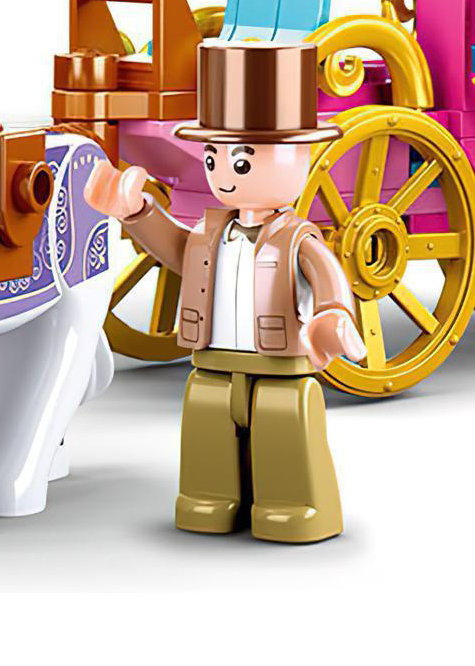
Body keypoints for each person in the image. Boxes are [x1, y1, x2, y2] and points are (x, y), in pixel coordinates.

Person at [86, 39, 365, 543]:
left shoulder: (298, 239)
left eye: (240, 162)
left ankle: (295, 506)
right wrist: (138, 212)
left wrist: (331, 316)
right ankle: (209, 499)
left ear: (298, 156)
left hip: (278, 367)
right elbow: (177, 251)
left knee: (285, 426)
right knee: (206, 424)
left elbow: (329, 282)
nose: (222, 176)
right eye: (212, 159)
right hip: (213, 361)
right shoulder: (213, 233)